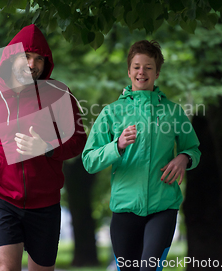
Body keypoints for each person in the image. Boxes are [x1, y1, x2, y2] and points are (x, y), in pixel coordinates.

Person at [0, 24, 86, 271]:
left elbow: (79, 141)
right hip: (1, 197)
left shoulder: (60, 94)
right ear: (11, 58)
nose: (32, 64)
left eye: (39, 59)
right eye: (26, 57)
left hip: (45, 202)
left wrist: (48, 147)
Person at [82, 40, 201, 271]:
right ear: (128, 71)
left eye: (148, 67)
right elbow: (89, 160)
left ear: (157, 72)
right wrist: (117, 145)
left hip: (163, 205)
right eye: (136, 66)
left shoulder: (173, 111)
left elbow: (194, 149)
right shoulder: (111, 112)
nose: (141, 72)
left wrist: (184, 157)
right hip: (124, 207)